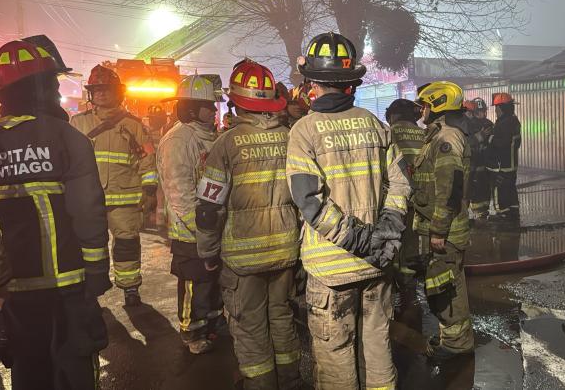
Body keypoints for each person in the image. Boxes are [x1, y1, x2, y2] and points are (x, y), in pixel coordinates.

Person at [286, 32, 411, 389]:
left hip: (331, 271)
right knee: (379, 351)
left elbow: (310, 203)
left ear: (311, 81)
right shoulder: (375, 124)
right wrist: (384, 233)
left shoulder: (304, 131)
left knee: (336, 359)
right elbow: (402, 185)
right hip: (377, 266)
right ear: (351, 83)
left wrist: (359, 239)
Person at [0, 35, 111, 388]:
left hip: (14, 289)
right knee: (75, 366)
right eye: (53, 83)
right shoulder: (68, 139)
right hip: (70, 285)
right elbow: (88, 212)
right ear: (44, 88)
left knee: (29, 368)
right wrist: (96, 270)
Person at [196, 59, 302, 389]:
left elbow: (208, 208)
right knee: (282, 317)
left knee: (249, 325)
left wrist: (208, 251)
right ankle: (290, 381)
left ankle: (260, 385)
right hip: (286, 249)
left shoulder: (225, 144)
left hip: (242, 259)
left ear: (236, 101)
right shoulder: (290, 138)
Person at [71, 64, 158, 306]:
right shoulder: (78, 123)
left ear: (117, 92)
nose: (100, 93)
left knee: (127, 245)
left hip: (125, 200)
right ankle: (90, 289)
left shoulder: (134, 125)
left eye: (105, 89)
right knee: (89, 247)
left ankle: (130, 288)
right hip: (89, 201)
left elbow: (148, 161)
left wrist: (150, 191)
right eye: (95, 89)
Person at [157, 74, 223, 354]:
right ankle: (191, 332)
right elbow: (179, 191)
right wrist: (198, 229)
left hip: (212, 227)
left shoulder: (210, 136)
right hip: (191, 231)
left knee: (211, 283)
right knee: (194, 283)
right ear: (192, 108)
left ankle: (209, 326)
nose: (215, 110)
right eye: (209, 105)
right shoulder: (178, 141)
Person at [413, 81, 475, 361]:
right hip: (443, 228)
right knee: (447, 284)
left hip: (445, 232)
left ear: (437, 105)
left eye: (424, 105)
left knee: (444, 288)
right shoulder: (440, 135)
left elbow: (448, 188)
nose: (421, 111)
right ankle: (454, 339)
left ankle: (456, 346)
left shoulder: (445, 138)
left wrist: (438, 230)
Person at [385, 98, 425, 282]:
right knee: (412, 233)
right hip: (421, 194)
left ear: (392, 115)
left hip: (396, 194)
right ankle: (410, 266)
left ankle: (397, 270)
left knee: (395, 233)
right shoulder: (423, 134)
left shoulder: (389, 133)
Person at [486, 92, 521, 221]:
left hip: (502, 164)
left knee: (499, 188)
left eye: (496, 108)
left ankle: (502, 212)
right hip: (511, 164)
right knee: (510, 187)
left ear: (501, 108)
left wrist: (490, 138)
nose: (495, 111)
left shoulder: (504, 123)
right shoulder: (514, 120)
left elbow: (502, 144)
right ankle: (513, 210)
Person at [464, 97, 494, 220]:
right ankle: (464, 216)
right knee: (467, 192)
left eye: (483, 111)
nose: (481, 114)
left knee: (484, 191)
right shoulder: (467, 125)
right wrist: (479, 137)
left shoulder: (489, 124)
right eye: (478, 112)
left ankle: (482, 214)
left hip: (485, 166)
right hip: (471, 166)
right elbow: (465, 144)